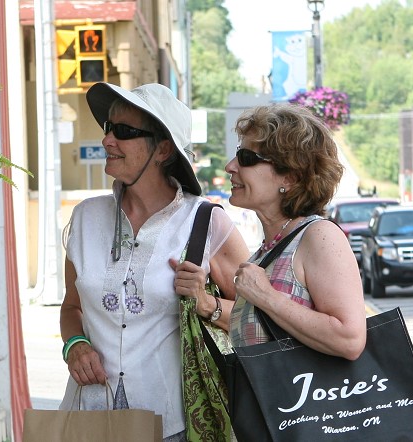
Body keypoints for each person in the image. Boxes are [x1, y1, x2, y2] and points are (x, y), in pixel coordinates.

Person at [59, 82, 250, 441]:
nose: (107, 141)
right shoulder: (84, 218)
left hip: (168, 423)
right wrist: (75, 345)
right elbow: (72, 307)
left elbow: (256, 318)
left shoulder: (205, 222)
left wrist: (205, 302)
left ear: (163, 149)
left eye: (124, 132)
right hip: (87, 416)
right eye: (108, 128)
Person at [223, 103, 366, 360]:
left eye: (246, 158)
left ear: (290, 177)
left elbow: (350, 339)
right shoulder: (265, 253)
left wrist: (266, 296)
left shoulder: (319, 236)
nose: (230, 166)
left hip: (311, 399)